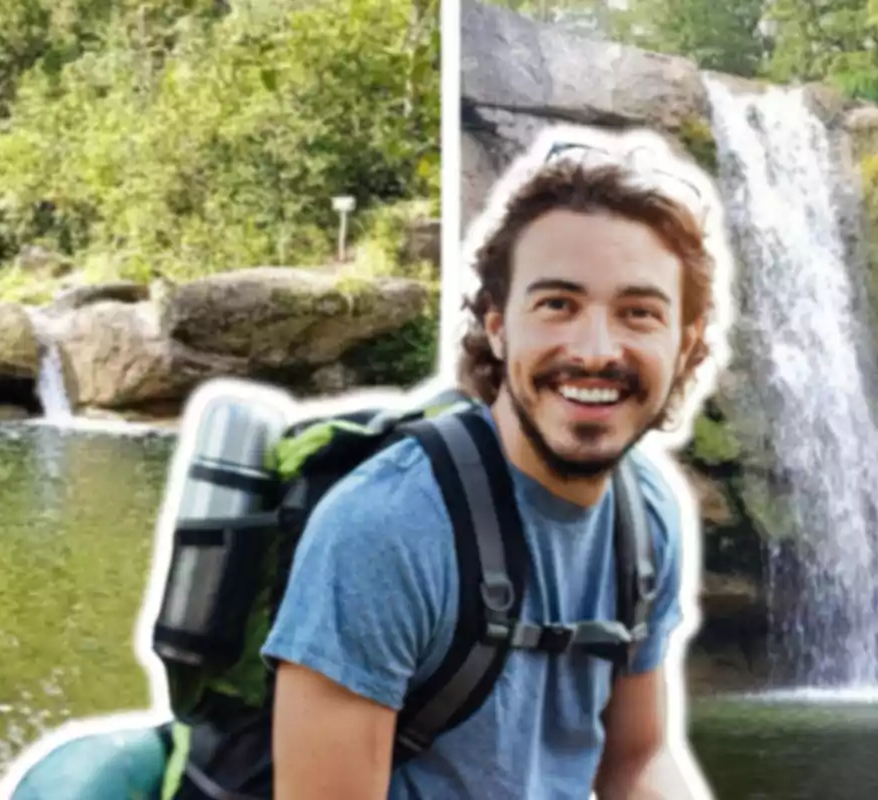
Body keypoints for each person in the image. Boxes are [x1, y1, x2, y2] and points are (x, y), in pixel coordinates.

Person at [261, 137, 718, 800]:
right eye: (558, 304)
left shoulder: (645, 517)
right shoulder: (384, 528)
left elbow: (637, 763)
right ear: (499, 328)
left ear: (687, 345)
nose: (595, 351)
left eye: (638, 313)